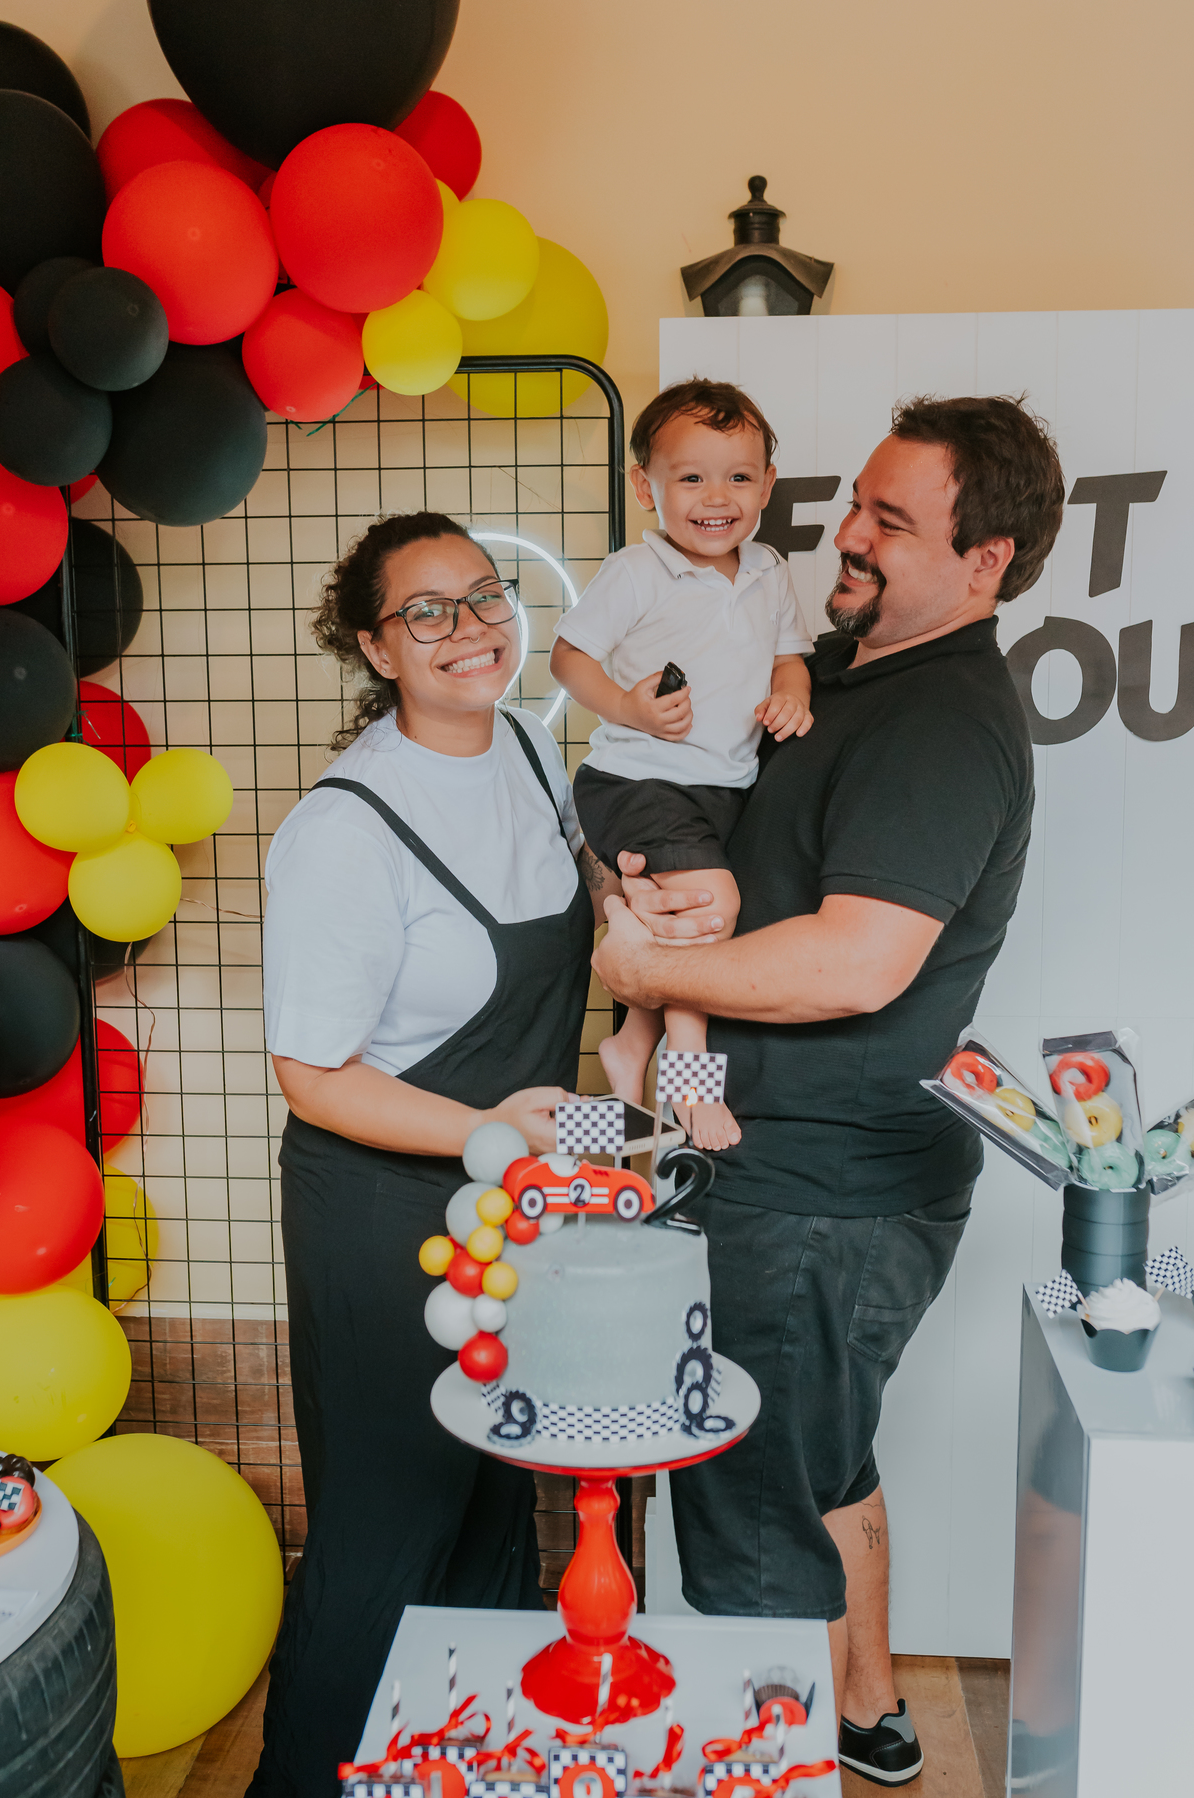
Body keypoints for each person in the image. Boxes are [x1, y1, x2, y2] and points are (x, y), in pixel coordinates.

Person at [592, 395, 1065, 1788]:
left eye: (892, 523)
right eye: (856, 501)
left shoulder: (942, 722)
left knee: (752, 1527)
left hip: (814, 1201)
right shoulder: (858, 676)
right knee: (823, 1465)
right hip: (814, 1185)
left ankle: (775, 1752)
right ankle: (863, 1713)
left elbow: (861, 962)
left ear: (986, 561)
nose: (845, 536)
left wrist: (640, 955)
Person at [249, 512, 616, 1798]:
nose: (470, 628)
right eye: (428, 612)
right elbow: (312, 1072)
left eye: (484, 595)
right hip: (383, 1215)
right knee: (387, 1527)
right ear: (375, 646)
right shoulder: (348, 827)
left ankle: (461, 1774)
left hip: (503, 1210)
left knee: (488, 1510)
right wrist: (486, 1130)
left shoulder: (524, 745)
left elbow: (585, 903)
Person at [550, 380, 814, 1151]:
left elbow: (790, 660)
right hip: (638, 779)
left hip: (724, 786)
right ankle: (689, 1081)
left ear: (767, 483)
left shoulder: (767, 569)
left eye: (739, 476)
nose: (716, 497)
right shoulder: (638, 570)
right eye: (690, 477)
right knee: (707, 910)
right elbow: (570, 658)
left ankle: (631, 1044)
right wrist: (625, 709)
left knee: (676, 927)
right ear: (645, 487)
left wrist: (790, 698)